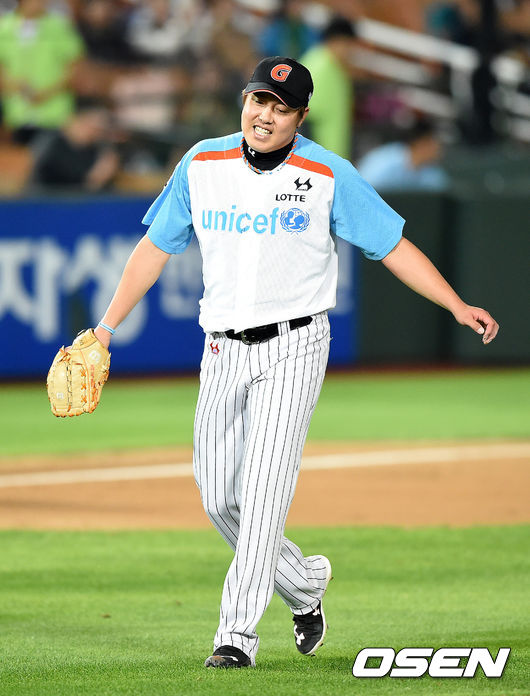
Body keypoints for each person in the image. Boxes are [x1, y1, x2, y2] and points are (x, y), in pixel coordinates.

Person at [88, 56, 498, 669]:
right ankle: (304, 585)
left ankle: (236, 637)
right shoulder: (201, 163)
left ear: (300, 117)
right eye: (259, 100)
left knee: (262, 498)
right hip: (221, 348)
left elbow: (392, 245)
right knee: (219, 498)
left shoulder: (328, 173)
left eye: (281, 108)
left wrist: (457, 305)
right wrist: (104, 329)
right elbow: (154, 248)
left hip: (295, 345)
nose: (266, 115)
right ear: (244, 100)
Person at [0, 0, 84, 144]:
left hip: (54, 111)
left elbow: (75, 65)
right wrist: (15, 86)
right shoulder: (4, 27)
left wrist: (48, 92)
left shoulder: (58, 26)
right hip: (17, 111)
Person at [300, 16, 357, 159]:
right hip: (315, 160)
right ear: (336, 41)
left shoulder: (333, 67)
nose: (350, 51)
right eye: (348, 45)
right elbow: (303, 117)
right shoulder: (320, 67)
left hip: (328, 158)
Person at [31, 104, 119, 190]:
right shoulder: (51, 143)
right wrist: (97, 177)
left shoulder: (98, 148)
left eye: (99, 129)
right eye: (90, 125)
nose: (95, 132)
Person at [356, 119, 449, 191]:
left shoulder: (431, 172)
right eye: (434, 141)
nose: (439, 147)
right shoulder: (386, 161)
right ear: (421, 142)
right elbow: (362, 190)